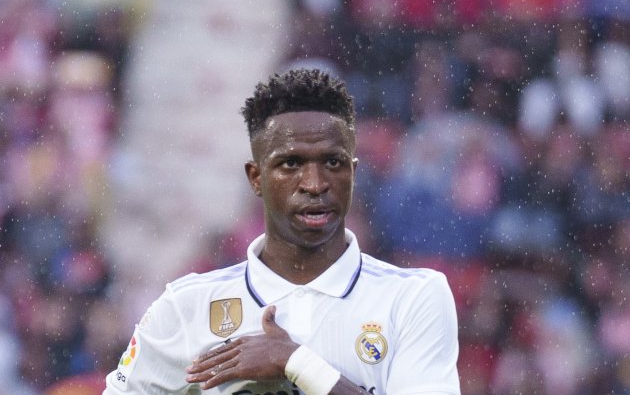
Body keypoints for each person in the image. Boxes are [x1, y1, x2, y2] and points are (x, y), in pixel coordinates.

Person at [104, 69, 461, 394]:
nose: (314, 183)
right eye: (291, 163)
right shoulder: (186, 307)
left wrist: (294, 363)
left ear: (352, 173)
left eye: (332, 163)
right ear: (256, 178)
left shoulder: (413, 297)